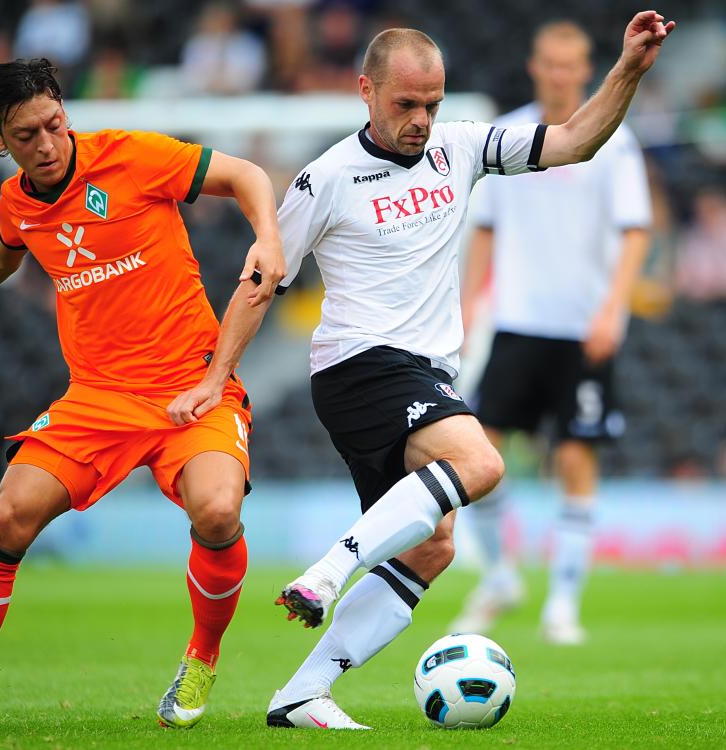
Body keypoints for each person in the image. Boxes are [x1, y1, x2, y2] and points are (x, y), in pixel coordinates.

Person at [183, 11, 674, 729]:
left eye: (433, 104)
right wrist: (214, 377)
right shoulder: (327, 179)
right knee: (480, 462)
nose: (421, 119)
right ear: (366, 91)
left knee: (436, 546)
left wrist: (629, 66)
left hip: (421, 369)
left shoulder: (463, 148)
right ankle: (327, 570)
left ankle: (299, 696)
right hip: (359, 364)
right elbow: (262, 281)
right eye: (406, 104)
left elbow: (572, 141)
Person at [0, 57, 285, 733]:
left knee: (218, 510)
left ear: (64, 112)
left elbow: (244, 174)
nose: (46, 144)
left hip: (191, 384)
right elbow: (0, 253)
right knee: (8, 516)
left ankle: (203, 655)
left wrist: (268, 238)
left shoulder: (133, 157)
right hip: (97, 399)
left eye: (53, 124)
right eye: (25, 136)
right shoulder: (18, 201)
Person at [450, 21, 653, 645]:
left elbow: (635, 229)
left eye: (571, 65)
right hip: (517, 321)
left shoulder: (616, 141)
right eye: (550, 63)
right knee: (479, 455)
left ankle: (563, 603)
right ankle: (503, 576)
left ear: (586, 69)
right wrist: (467, 306)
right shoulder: (508, 138)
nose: (560, 74)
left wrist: (611, 310)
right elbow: (483, 229)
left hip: (581, 329)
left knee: (573, 456)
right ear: (536, 66)